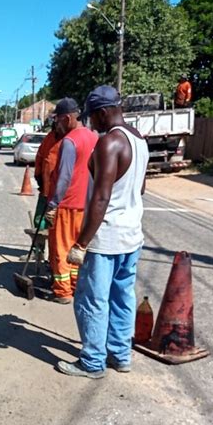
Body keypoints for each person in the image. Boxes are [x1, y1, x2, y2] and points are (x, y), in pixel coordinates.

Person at [57, 85, 149, 379]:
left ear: (103, 113)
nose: (91, 124)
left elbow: (101, 198)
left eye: (92, 118)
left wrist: (81, 243)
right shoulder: (139, 140)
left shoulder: (110, 143)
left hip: (106, 238)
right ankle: (121, 355)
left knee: (92, 299)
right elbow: (141, 188)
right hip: (132, 235)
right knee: (123, 297)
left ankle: (93, 362)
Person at [45, 98, 98, 303]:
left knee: (61, 249)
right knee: (78, 248)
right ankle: (77, 286)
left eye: (58, 120)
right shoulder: (94, 137)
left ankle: (63, 291)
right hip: (87, 205)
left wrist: (53, 203)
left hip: (67, 205)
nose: (57, 124)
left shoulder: (70, 141)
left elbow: (65, 176)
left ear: (67, 118)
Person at [33, 119, 62, 229]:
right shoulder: (50, 137)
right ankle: (38, 244)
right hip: (46, 187)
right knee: (39, 219)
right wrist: (38, 175)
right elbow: (40, 157)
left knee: (56, 222)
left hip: (61, 191)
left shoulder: (69, 139)